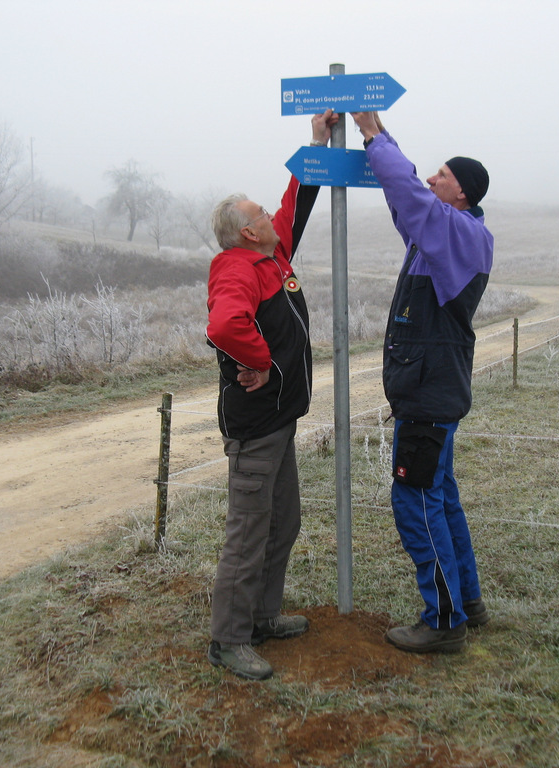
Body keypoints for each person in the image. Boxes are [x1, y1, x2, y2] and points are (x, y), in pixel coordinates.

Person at [351, 111, 494, 654]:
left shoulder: (458, 232)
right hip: (436, 389)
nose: (432, 179)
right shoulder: (450, 236)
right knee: (442, 497)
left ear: (461, 195)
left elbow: (412, 198)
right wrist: (383, 142)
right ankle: (469, 603)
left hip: (428, 394)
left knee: (415, 500)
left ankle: (443, 622)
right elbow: (404, 202)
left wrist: (370, 134)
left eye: (442, 175)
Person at [204, 108, 339, 680]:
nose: (269, 213)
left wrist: (315, 142)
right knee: (248, 532)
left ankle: (262, 618)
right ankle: (229, 640)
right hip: (257, 424)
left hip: (282, 418)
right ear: (247, 231)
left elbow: (296, 202)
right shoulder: (236, 267)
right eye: (260, 212)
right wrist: (258, 361)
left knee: (284, 522)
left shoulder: (271, 253)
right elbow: (226, 326)